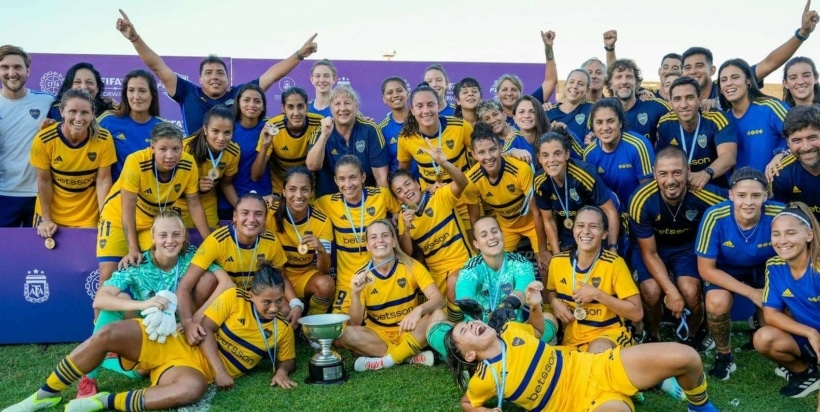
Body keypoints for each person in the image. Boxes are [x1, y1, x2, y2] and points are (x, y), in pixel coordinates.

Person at [2, 262, 297, 412]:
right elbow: (204, 331)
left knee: (192, 389)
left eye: (278, 301)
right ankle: (43, 397)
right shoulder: (234, 297)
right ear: (252, 295)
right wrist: (220, 370)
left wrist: (282, 371)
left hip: (192, 368)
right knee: (109, 332)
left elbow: (288, 360)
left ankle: (103, 401)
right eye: (266, 302)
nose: (273, 308)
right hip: (173, 340)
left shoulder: (281, 329)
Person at [77, 211, 221, 398]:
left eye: (176, 234)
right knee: (119, 300)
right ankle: (89, 380)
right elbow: (100, 299)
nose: (170, 240)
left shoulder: (193, 256)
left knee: (208, 279)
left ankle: (128, 364)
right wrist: (144, 304)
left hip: (183, 332)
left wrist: (192, 320)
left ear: (184, 235)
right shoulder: (138, 264)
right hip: (148, 332)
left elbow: (224, 284)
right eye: (163, 235)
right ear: (153, 237)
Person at [441, 317, 719, 412]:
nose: (473, 324)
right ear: (468, 356)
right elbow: (467, 402)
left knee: (687, 357)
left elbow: (537, 331)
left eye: (469, 322)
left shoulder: (513, 330)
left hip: (597, 367)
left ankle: (700, 407)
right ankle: (638, 389)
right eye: (465, 331)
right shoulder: (485, 380)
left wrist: (536, 306)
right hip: (578, 405)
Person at [116, 9, 317, 134]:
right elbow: (157, 66)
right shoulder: (187, 92)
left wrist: (300, 54)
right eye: (209, 73)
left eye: (220, 73)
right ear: (199, 78)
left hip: (231, 168)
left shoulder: (240, 95)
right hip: (196, 166)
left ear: (228, 79)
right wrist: (134, 38)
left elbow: (274, 75)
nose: (214, 77)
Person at [629, 147, 726, 347]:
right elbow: (649, 252)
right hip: (653, 250)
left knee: (690, 291)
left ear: (688, 171)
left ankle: (688, 336)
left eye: (677, 172)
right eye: (663, 174)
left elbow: (737, 201)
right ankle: (653, 336)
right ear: (655, 173)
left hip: (687, 248)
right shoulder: (640, 199)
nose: (670, 180)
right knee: (651, 290)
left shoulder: (705, 194)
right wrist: (671, 292)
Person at [175, 193, 300, 347]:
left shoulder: (271, 241)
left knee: (286, 310)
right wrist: (188, 322)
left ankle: (260, 342)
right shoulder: (217, 240)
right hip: (222, 304)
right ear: (235, 216)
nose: (252, 219)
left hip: (255, 301)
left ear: (265, 219)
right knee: (206, 280)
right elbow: (184, 287)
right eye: (245, 213)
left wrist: (296, 304)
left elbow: (283, 279)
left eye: (258, 214)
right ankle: (202, 330)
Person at [695, 167, 785, 380]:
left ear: (766, 196)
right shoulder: (715, 215)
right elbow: (705, 269)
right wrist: (752, 293)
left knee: (780, 310)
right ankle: (724, 355)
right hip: (726, 269)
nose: (748, 202)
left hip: (766, 267)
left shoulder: (779, 214)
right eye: (742, 195)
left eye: (755, 195)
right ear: (731, 195)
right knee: (717, 303)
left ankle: (790, 355)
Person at [96, 122, 211, 286]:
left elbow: (194, 204)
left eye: (176, 149)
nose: (170, 156)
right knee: (108, 273)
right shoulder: (135, 161)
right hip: (118, 218)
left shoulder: (188, 163)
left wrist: (210, 241)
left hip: (153, 222)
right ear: (153, 148)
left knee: (159, 268)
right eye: (163, 149)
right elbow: (128, 208)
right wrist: (133, 248)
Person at [335, 220, 444, 371]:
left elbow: (439, 300)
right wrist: (355, 293)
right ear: (367, 245)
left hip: (409, 331)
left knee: (439, 314)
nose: (379, 240)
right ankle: (409, 356)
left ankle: (386, 361)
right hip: (379, 336)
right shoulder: (361, 275)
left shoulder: (411, 266)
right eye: (373, 237)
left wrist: (418, 310)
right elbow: (354, 323)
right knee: (345, 334)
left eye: (385, 235)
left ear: (393, 241)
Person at [682, 1, 819, 109]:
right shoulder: (679, 96)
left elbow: (770, 63)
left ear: (712, 70)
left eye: (699, 65)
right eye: (687, 67)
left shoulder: (729, 84)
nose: (693, 71)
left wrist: (802, 34)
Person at [390, 143, 473, 322]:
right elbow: (407, 254)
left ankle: (456, 325)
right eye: (400, 191)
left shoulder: (440, 196)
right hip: (436, 275)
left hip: (464, 265)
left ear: (417, 184)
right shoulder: (406, 218)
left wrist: (444, 163)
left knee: (455, 283)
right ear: (398, 198)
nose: (406, 191)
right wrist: (405, 228)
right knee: (435, 320)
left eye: (407, 184)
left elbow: (463, 182)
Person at [546, 206, 642, 353]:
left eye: (593, 227)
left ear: (604, 234)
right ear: (573, 230)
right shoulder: (557, 262)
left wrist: (598, 295)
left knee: (597, 353)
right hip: (572, 340)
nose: (586, 231)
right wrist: (554, 302)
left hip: (609, 335)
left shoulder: (614, 264)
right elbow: (551, 291)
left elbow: (636, 313)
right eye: (580, 225)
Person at [315, 155, 400, 315]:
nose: (348, 184)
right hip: (347, 279)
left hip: (380, 274)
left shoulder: (381, 196)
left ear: (363, 177)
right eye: (342, 179)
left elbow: (400, 210)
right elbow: (301, 209)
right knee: (339, 331)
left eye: (353, 177)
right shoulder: (327, 203)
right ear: (335, 181)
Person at [31, 89, 116, 241]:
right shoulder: (44, 139)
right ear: (62, 112)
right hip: (51, 215)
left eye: (84, 112)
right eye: (72, 111)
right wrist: (47, 219)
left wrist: (104, 218)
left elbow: (103, 180)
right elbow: (44, 180)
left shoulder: (103, 138)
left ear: (92, 114)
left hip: (88, 216)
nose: (79, 118)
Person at [754, 203, 820, 398]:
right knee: (763, 338)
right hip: (807, 336)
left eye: (790, 233)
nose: (782, 241)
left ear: (809, 235)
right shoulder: (774, 265)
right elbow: (771, 314)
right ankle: (805, 372)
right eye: (776, 234)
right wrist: (811, 332)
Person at [454, 216, 557, 339]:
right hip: (478, 335)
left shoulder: (520, 262)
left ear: (502, 234)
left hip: (513, 332)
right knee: (437, 328)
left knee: (550, 319)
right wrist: (467, 301)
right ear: (476, 243)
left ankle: (512, 351)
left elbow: (524, 286)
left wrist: (509, 303)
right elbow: (465, 285)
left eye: (495, 231)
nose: (491, 237)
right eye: (484, 235)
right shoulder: (472, 266)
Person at [462, 123, 548, 270]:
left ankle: (547, 293)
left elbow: (536, 212)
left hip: (532, 223)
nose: (488, 157)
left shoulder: (521, 170)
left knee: (545, 264)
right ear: (474, 155)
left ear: (501, 148)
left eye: (492, 150)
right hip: (506, 227)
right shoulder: (470, 181)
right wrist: (480, 251)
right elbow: (474, 219)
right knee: (497, 269)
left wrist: (542, 250)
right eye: (481, 152)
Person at [397, 83, 474, 231]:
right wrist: (422, 192)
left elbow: (481, 156)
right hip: (432, 201)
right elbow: (402, 175)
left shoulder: (460, 127)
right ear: (412, 110)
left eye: (430, 104)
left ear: (438, 106)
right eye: (419, 106)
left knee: (474, 246)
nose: (426, 111)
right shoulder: (406, 138)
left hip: (465, 197)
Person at [535, 130, 620, 253]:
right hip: (569, 225)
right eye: (545, 155)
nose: (551, 160)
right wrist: (556, 255)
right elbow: (548, 220)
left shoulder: (585, 174)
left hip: (596, 223)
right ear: (539, 159)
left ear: (567, 154)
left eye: (557, 153)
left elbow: (610, 212)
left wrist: (613, 247)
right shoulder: (539, 181)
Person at [267, 167, 335, 316]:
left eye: (304, 189)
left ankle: (312, 323)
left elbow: (323, 270)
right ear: (284, 191)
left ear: (311, 192)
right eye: (292, 189)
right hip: (277, 277)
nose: (298, 195)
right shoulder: (270, 214)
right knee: (283, 311)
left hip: (305, 276)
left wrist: (321, 250)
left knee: (326, 284)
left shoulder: (321, 221)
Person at [0, 45, 54, 227]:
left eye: (17, 67)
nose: (11, 73)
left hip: (39, 194)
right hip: (3, 193)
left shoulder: (47, 101)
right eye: (5, 67)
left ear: (28, 70)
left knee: (37, 253)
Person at [306, 85, 390, 197]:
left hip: (365, 203)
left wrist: (387, 207)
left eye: (347, 103)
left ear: (356, 106)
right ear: (331, 108)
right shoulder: (320, 131)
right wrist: (324, 136)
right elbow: (312, 166)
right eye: (337, 104)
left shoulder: (370, 130)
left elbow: (381, 177)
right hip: (329, 204)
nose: (342, 108)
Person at [656, 76, 737, 189]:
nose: (683, 105)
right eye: (677, 99)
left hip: (712, 185)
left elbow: (728, 156)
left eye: (689, 97)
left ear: (700, 100)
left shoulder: (717, 119)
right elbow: (661, 160)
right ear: (670, 103)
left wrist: (705, 174)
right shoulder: (665, 123)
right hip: (680, 186)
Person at [583, 98, 655, 217]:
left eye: (610, 121)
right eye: (599, 122)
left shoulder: (639, 146)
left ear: (620, 122)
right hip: (607, 216)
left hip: (638, 215)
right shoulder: (589, 154)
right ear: (593, 126)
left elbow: (648, 192)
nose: (605, 128)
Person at [718, 58, 791, 173]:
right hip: (738, 188)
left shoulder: (771, 107)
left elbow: (801, 133)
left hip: (773, 186)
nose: (729, 83)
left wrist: (782, 153)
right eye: (723, 80)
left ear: (748, 81)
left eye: (735, 77)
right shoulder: (722, 119)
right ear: (720, 89)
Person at [177, 105, 240, 228]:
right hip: (180, 202)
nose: (221, 138)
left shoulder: (234, 152)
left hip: (207, 202)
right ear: (205, 130)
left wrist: (241, 207)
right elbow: (169, 186)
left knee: (210, 240)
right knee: (181, 242)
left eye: (227, 132)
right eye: (215, 131)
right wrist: (195, 187)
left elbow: (226, 184)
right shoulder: (185, 149)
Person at [252, 86, 322, 195]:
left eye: (300, 106)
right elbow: (255, 176)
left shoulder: (319, 123)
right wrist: (265, 146)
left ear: (307, 107)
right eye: (290, 107)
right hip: (280, 192)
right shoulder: (273, 127)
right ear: (283, 109)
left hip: (308, 192)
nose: (296, 113)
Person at [98, 69, 163, 182]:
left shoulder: (162, 127)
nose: (136, 96)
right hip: (116, 196)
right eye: (131, 90)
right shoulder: (108, 121)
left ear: (152, 95)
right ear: (125, 94)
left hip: (149, 197)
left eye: (142, 91)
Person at [219, 83, 269, 220]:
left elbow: (257, 174)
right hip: (230, 201)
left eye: (257, 101)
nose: (252, 104)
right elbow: (225, 180)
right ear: (238, 103)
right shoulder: (228, 130)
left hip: (262, 198)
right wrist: (239, 207)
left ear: (263, 106)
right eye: (246, 100)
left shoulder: (269, 129)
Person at [606, 59, 671, 146]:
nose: (624, 82)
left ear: (637, 83)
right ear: (610, 83)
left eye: (629, 77)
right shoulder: (600, 112)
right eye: (618, 77)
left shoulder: (657, 107)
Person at [772, 105, 820, 221]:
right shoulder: (781, 174)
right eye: (797, 140)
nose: (806, 147)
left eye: (812, 138)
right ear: (787, 144)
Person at [546, 69, 594, 155]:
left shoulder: (592, 110)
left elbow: (589, 149)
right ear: (565, 86)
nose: (575, 86)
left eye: (580, 84)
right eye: (571, 82)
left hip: (579, 165)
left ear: (587, 90)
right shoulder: (548, 111)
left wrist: (566, 131)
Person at [47, 63, 117, 121]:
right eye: (77, 82)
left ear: (97, 88)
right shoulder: (57, 110)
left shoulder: (109, 109)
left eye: (89, 82)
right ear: (68, 87)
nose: (83, 87)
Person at [378, 76, 418, 177]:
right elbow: (383, 166)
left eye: (399, 90)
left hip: (428, 184)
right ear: (384, 99)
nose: (395, 95)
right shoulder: (382, 129)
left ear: (407, 94)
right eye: (390, 92)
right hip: (401, 187)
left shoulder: (421, 118)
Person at [512, 95, 551, 168]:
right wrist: (511, 152)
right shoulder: (512, 138)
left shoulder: (553, 135)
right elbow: (500, 157)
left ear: (539, 114)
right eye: (521, 112)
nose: (526, 116)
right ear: (514, 118)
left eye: (532, 111)